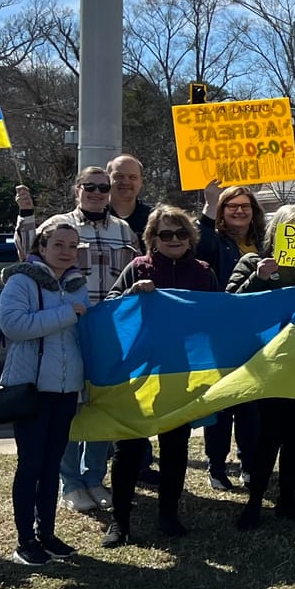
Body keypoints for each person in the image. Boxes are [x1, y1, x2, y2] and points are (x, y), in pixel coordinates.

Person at [15, 167, 138, 514]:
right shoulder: (60, 224)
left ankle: (94, 478)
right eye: (90, 186)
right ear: (77, 189)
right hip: (68, 330)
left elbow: (134, 272)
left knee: (101, 406)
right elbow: (27, 253)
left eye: (104, 187)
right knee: (69, 408)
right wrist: (26, 213)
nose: (97, 192)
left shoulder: (123, 230)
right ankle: (70, 482)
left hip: (110, 333)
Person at [102, 205, 216, 546]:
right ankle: (119, 522)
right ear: (152, 239)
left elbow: (220, 316)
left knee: (175, 446)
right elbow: (109, 306)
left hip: (181, 372)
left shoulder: (203, 273)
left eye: (181, 233)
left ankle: (168, 514)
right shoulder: (138, 268)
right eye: (165, 234)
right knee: (128, 447)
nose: (174, 239)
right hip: (138, 372)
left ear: (190, 237)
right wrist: (131, 294)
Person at [227, 203, 295, 528]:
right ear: (275, 232)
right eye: (290, 229)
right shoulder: (253, 262)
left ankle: (287, 500)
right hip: (268, 362)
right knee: (268, 435)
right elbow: (231, 303)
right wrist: (258, 278)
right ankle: (255, 502)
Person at [0, 217, 89, 567]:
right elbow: (13, 326)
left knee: (52, 466)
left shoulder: (77, 284)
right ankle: (25, 541)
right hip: (31, 389)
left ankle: (46, 534)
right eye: (58, 245)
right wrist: (67, 313)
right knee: (31, 465)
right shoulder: (22, 280)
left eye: (72, 246)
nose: (66, 252)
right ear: (42, 247)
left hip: (66, 390)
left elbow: (85, 331)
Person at [196, 181, 266, 490]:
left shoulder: (265, 242)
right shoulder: (214, 241)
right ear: (222, 213)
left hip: (257, 333)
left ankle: (249, 464)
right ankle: (216, 465)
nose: (239, 211)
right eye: (232, 206)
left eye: (245, 206)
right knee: (221, 404)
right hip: (220, 333)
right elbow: (200, 247)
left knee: (251, 405)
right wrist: (210, 204)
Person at [106, 152, 152, 240]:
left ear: (141, 182)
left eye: (132, 177)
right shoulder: (96, 216)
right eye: (119, 176)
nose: (125, 182)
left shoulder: (153, 219)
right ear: (107, 179)